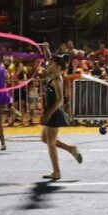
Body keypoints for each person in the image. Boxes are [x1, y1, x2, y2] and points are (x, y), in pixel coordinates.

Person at [39, 43, 83, 180]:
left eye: (50, 63)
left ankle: (56, 172)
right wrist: (46, 48)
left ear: (57, 67)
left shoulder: (57, 80)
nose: (48, 64)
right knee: (44, 139)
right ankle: (71, 149)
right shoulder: (53, 75)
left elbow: (60, 100)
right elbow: (49, 58)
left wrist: (48, 114)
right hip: (50, 112)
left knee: (50, 143)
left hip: (54, 113)